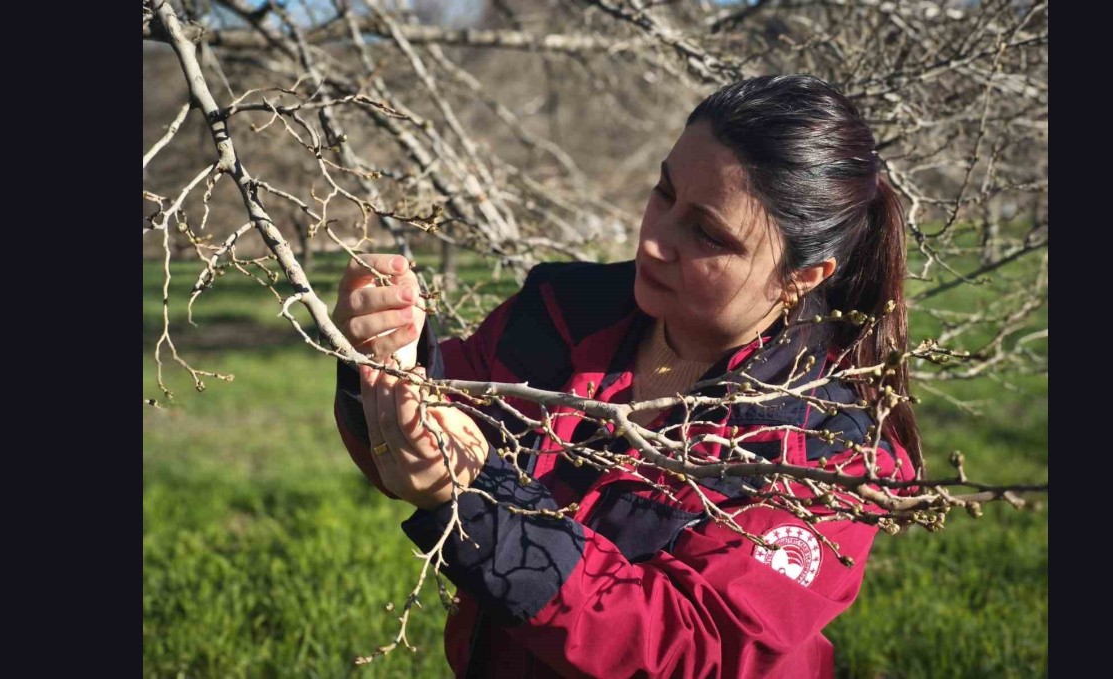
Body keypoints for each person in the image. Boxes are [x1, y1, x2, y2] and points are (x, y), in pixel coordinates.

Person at [330, 74, 922, 678]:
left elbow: (689, 647)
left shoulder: (827, 448)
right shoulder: (563, 312)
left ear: (803, 276)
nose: (656, 240)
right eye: (664, 193)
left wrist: (483, 499)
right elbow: (417, 436)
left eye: (707, 233)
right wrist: (381, 360)